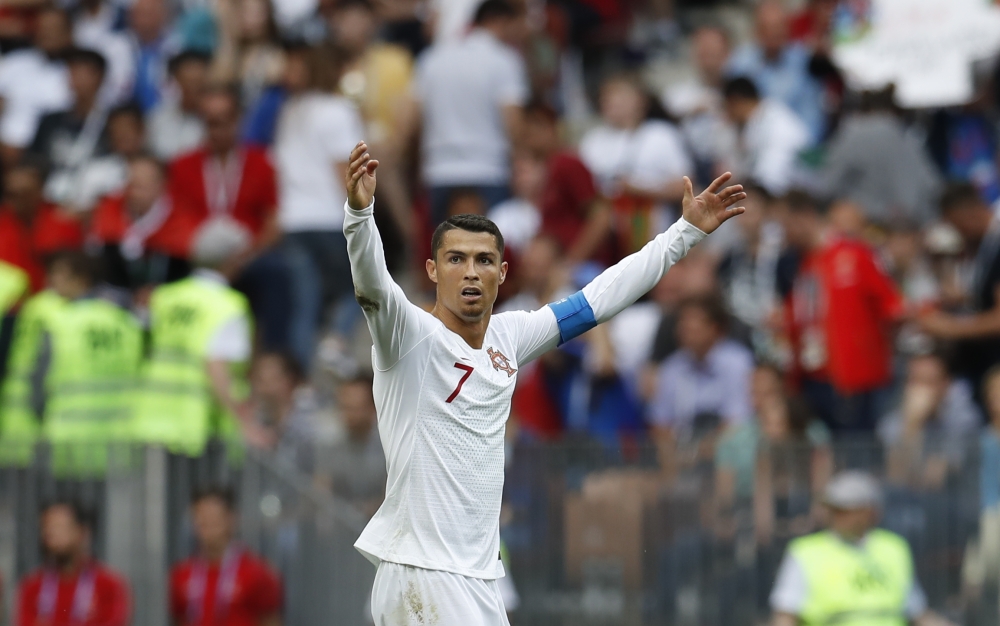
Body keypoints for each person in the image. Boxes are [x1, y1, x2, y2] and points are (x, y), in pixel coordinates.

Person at [343, 140, 746, 623]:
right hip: (424, 570)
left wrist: (683, 234)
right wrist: (359, 214)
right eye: (455, 259)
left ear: (502, 272)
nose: (470, 272)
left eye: (484, 260)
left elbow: (598, 300)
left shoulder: (509, 337)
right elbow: (371, 283)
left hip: (478, 575)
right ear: (432, 270)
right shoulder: (408, 335)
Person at [168, 85, 290, 353]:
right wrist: (203, 254)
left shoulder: (261, 163)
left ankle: (272, 358)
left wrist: (244, 256)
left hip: (248, 259)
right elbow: (177, 219)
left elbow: (274, 222)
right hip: (198, 256)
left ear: (237, 121)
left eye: (224, 121)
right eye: (210, 123)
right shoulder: (183, 165)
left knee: (276, 272)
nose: (217, 130)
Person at [273, 42, 364, 368]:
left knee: (305, 305)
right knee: (364, 285)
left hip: (293, 221)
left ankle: (301, 385)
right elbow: (347, 172)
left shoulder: (289, 111)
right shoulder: (338, 111)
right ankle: (337, 340)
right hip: (329, 218)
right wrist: (366, 218)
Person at [783, 191, 904, 433]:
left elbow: (892, 308)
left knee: (856, 452)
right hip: (812, 378)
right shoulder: (800, 264)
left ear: (804, 217)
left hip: (852, 380)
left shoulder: (855, 255)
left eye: (786, 224)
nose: (784, 234)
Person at [134, 218, 254, 457]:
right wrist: (246, 424)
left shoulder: (164, 297)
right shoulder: (228, 306)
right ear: (232, 259)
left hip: (152, 420)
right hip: (198, 426)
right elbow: (217, 368)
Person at [769, 471, 954, 626]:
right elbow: (785, 614)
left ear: (870, 511)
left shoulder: (894, 548)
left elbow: (918, 611)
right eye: (833, 509)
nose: (835, 516)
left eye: (845, 510)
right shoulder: (805, 551)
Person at [407, 0, 528, 226]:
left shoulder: (432, 59)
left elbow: (411, 121)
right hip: (489, 170)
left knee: (447, 253)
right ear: (500, 21)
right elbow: (513, 123)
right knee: (487, 253)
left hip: (439, 170)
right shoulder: (504, 61)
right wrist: (521, 162)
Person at [29, 250, 142, 476]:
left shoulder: (60, 322)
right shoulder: (123, 320)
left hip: (69, 436)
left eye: (60, 275)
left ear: (82, 279)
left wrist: (39, 415)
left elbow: (40, 380)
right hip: (117, 436)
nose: (53, 282)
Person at [579, 73, 693, 259]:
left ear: (640, 100)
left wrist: (637, 189)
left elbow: (686, 186)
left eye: (621, 97)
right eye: (607, 98)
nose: (613, 103)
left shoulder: (662, 134)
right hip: (607, 237)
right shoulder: (592, 141)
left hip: (653, 233)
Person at [919, 183, 1000, 397]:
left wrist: (948, 327)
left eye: (956, 225)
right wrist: (964, 298)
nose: (957, 233)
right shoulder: (985, 245)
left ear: (967, 215)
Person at [822, 87, 942, 226]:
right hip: (910, 229)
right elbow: (933, 187)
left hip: (870, 228)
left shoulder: (854, 132)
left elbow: (827, 187)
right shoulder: (907, 138)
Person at [170, 487, 283, 626]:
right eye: (201, 520)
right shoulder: (181, 574)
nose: (207, 527)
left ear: (230, 519)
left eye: (214, 519)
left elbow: (270, 620)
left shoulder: (258, 572)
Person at [649, 295, 754, 442]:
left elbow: (739, 422)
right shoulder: (671, 368)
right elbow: (660, 424)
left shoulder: (738, 363)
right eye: (682, 323)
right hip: (682, 456)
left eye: (692, 323)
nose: (684, 329)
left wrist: (701, 451)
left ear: (714, 328)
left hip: (728, 455)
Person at [521, 102, 612, 265]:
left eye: (539, 126)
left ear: (555, 128)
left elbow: (601, 217)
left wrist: (572, 262)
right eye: (527, 127)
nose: (531, 133)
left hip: (583, 269)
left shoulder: (567, 163)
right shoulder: (547, 169)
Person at [17, 500, 130, 626]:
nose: (51, 534)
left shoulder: (109, 584)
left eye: (59, 527)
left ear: (83, 532)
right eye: (46, 527)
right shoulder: (32, 586)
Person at [726, 0, 825, 143]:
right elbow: (733, 111)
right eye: (767, 28)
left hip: (797, 146)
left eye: (779, 27)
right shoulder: (740, 64)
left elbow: (812, 115)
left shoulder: (804, 61)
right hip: (752, 147)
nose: (773, 33)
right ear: (756, 31)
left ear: (788, 28)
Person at [89, 153, 190, 291]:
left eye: (141, 187)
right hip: (117, 291)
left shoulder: (180, 218)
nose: (134, 193)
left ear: (162, 185)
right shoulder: (109, 210)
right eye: (131, 185)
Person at [880, 353, 981, 490]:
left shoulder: (964, 418)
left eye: (929, 382)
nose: (922, 390)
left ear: (945, 384)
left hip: (951, 503)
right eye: (917, 381)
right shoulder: (892, 422)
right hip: (907, 504)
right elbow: (896, 477)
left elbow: (936, 480)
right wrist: (912, 424)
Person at [28, 47, 111, 212]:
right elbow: (33, 162)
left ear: (99, 77)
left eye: (81, 72)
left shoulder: (112, 122)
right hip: (51, 202)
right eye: (70, 72)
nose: (73, 78)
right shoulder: (49, 121)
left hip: (96, 205)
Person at [0, 159, 84, 294]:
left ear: (39, 191)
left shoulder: (62, 222)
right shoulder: (3, 221)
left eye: (24, 193)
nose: (15, 200)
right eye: (10, 194)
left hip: (49, 301)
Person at [0, 7, 73, 160]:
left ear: (69, 32)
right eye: (43, 29)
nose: (47, 34)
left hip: (50, 153)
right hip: (5, 149)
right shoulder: (15, 62)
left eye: (54, 29)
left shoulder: (76, 71)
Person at [721, 77, 810, 197]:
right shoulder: (754, 122)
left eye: (726, 107)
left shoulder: (778, 125)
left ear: (735, 101)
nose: (726, 114)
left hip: (793, 195)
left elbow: (771, 179)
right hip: (774, 191)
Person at [315, 373, 386, 516]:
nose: (349, 414)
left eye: (356, 408)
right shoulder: (329, 445)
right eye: (345, 407)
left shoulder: (389, 448)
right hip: (339, 525)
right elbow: (321, 490)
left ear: (373, 408)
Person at [248, 351, 320, 474]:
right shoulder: (253, 421)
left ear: (289, 380)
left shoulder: (312, 422)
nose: (266, 389)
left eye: (272, 380)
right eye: (260, 381)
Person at [147, 50, 208, 161]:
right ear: (177, 80)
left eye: (198, 83)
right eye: (189, 82)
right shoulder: (158, 117)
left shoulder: (215, 120)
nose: (193, 89)